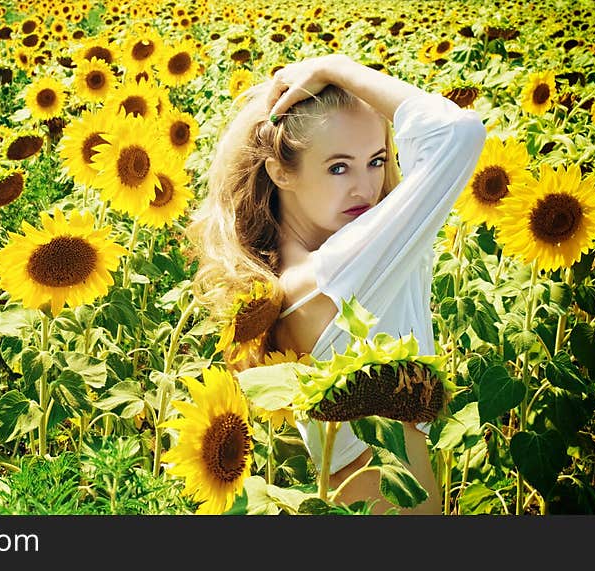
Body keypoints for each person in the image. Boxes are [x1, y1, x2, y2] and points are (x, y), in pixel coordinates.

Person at [184, 53, 486, 514]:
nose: (365, 187)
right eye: (339, 167)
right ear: (281, 171)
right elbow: (458, 133)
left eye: (377, 160)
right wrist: (336, 66)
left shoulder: (289, 280)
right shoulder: (333, 275)